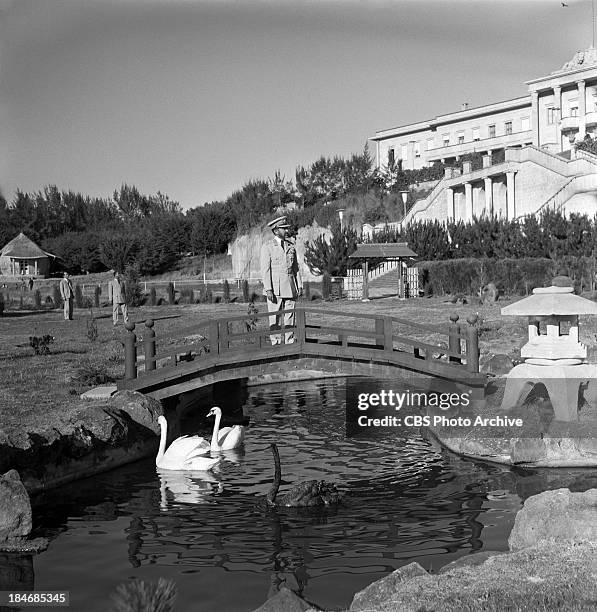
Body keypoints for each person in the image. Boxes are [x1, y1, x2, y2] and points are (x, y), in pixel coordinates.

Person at [260, 216, 303, 345]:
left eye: (286, 228)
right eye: (283, 229)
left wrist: (299, 285)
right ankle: (276, 342)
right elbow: (265, 270)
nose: (286, 231)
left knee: (290, 315)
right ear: (276, 230)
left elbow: (296, 268)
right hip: (275, 288)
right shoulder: (267, 247)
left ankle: (289, 341)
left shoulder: (291, 246)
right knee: (275, 316)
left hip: (290, 286)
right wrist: (268, 289)